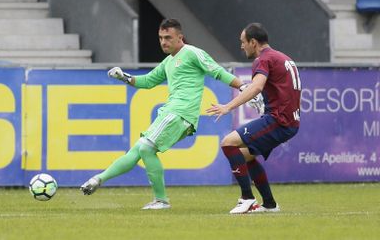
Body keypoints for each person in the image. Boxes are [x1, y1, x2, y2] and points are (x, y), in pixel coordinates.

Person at [80, 18, 245, 210]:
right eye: (160, 38)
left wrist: (243, 86)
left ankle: (161, 200)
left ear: (180, 37)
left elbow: (217, 71)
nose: (163, 42)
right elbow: (148, 81)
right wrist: (123, 76)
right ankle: (98, 179)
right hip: (172, 113)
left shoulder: (192, 53)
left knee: (146, 149)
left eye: (168, 37)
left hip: (179, 113)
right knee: (137, 150)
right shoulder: (168, 61)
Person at [207, 23, 301, 214]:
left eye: (243, 42)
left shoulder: (263, 59)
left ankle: (247, 198)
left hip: (278, 120)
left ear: (253, 42)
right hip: (289, 121)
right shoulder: (283, 58)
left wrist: (228, 107)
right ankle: (269, 204)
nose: (241, 46)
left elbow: (257, 86)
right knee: (243, 156)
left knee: (228, 143)